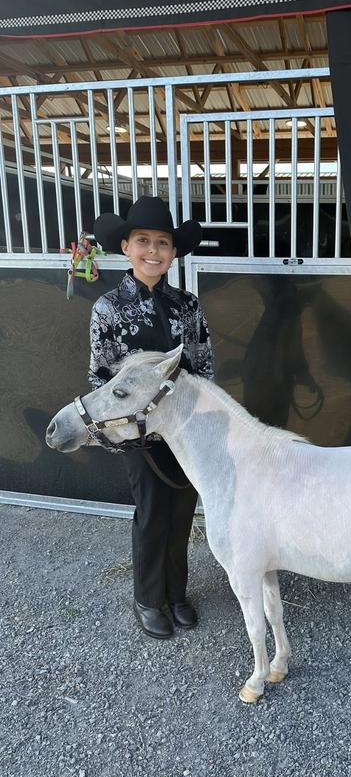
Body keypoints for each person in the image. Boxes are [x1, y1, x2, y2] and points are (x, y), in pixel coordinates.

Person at [89, 196, 214, 639]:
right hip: (138, 435)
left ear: (174, 252)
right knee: (152, 512)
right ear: (125, 246)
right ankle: (148, 598)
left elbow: (203, 369)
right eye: (143, 241)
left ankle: (176, 594)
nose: (153, 251)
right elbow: (100, 377)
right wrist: (119, 432)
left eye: (163, 242)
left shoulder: (188, 306)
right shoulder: (108, 308)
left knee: (183, 511)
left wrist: (204, 422)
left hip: (184, 432)